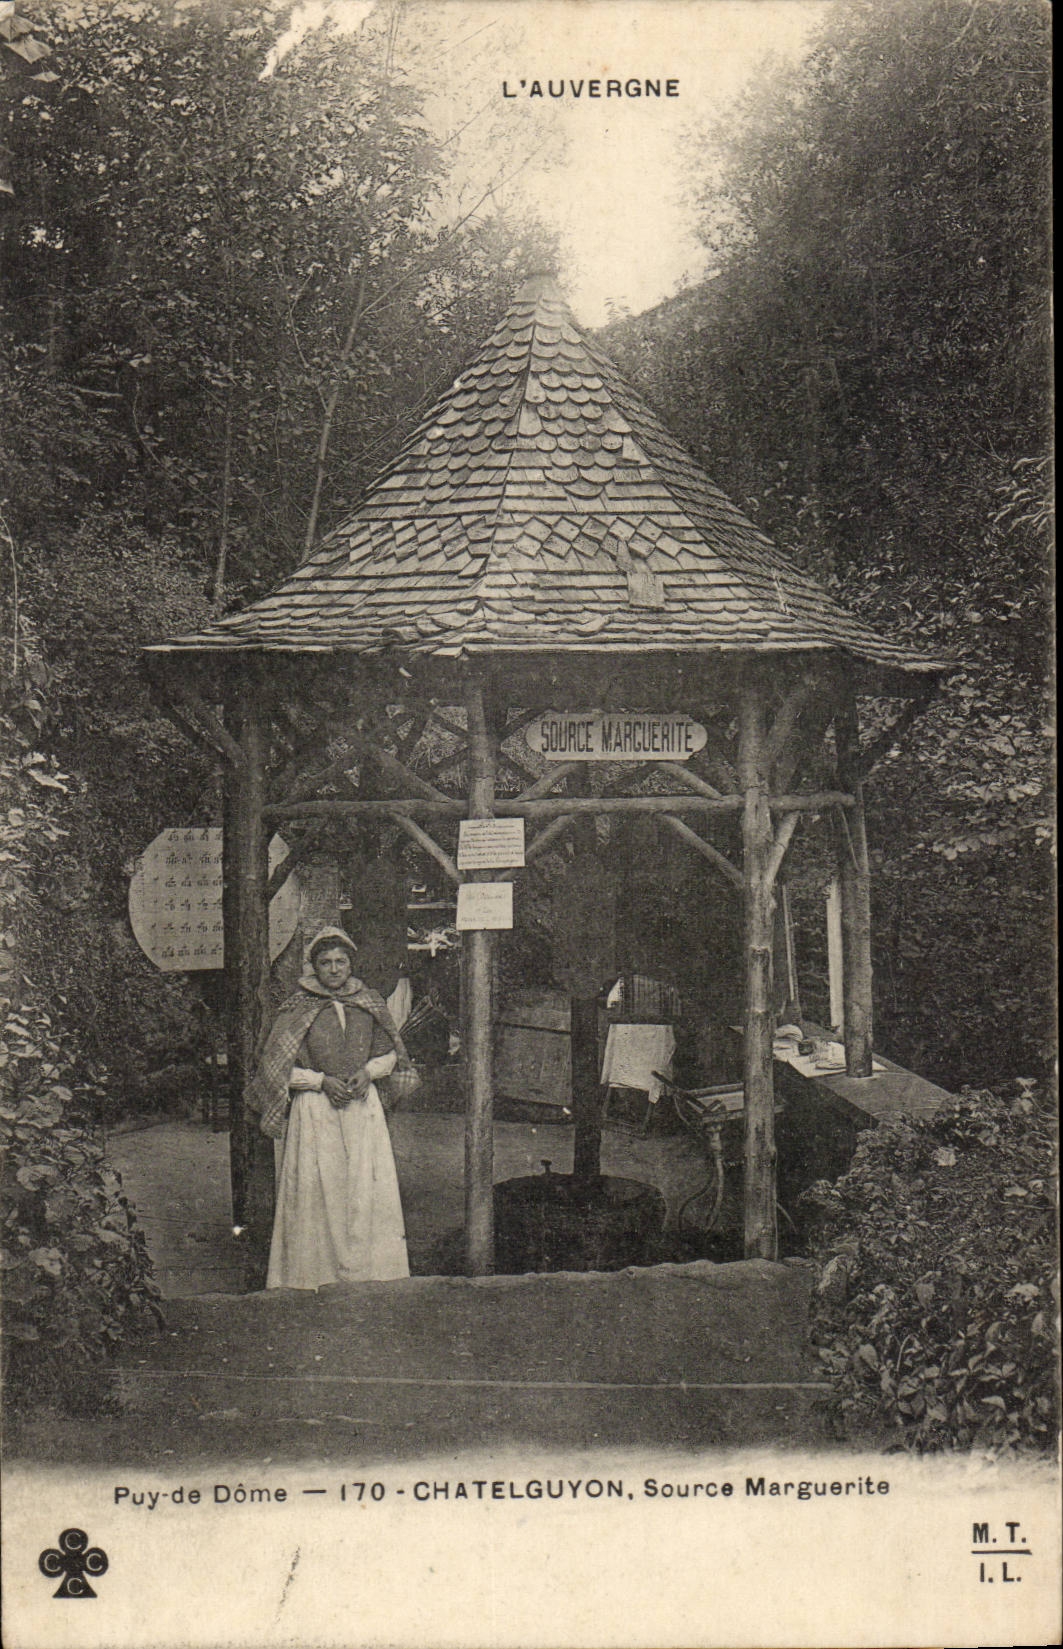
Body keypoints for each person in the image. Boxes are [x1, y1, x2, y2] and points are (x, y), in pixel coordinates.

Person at [249, 926, 412, 1289]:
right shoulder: (296, 1005)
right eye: (326, 962)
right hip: (316, 1113)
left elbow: (391, 1056)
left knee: (363, 1189)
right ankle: (310, 1276)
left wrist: (368, 1072)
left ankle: (372, 1273)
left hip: (361, 1111)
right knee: (317, 1191)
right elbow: (276, 1068)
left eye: (341, 961)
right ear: (314, 967)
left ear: (351, 964)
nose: (335, 969)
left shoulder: (368, 1001)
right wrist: (321, 1081)